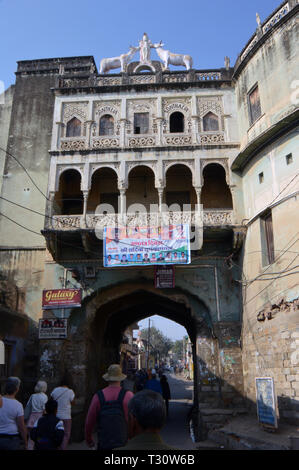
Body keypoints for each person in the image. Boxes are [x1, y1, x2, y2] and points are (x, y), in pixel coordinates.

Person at [85, 364, 134, 450]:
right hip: (124, 443)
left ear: (107, 379)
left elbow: (89, 422)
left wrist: (89, 440)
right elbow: (134, 421)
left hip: (104, 443)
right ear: (121, 378)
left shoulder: (98, 396)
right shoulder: (129, 396)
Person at [0, 377, 27, 450]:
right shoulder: (18, 405)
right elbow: (21, 426)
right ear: (17, 389)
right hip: (11, 440)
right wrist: (25, 442)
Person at [50, 376, 75, 450]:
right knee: (66, 434)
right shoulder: (70, 391)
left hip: (56, 415)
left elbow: (51, 400)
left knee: (55, 432)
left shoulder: (55, 390)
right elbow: (73, 402)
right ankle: (62, 448)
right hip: (66, 416)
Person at [25, 380, 48, 450]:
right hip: (40, 417)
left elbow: (28, 407)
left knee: (31, 438)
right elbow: (44, 409)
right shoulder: (44, 396)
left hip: (32, 417)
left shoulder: (33, 396)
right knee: (41, 437)